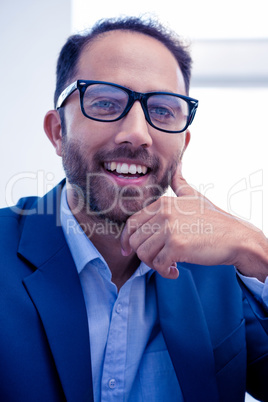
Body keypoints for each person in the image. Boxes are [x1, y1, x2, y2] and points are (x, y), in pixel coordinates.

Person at [0, 16, 267, 402]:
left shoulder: (222, 267)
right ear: (58, 132)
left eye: (162, 111)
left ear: (183, 144)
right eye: (106, 102)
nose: (138, 134)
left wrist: (257, 248)